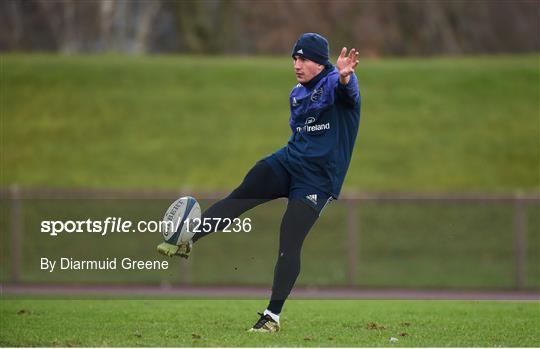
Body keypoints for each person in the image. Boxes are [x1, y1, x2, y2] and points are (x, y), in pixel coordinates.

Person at [157, 33, 361, 333]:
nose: (297, 64)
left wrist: (345, 77)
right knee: (244, 192)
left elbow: (347, 91)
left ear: (320, 63)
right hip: (289, 161)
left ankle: (272, 317)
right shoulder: (297, 94)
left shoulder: (335, 83)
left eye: (304, 59)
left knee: (289, 239)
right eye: (294, 58)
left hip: (317, 181)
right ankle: (188, 238)